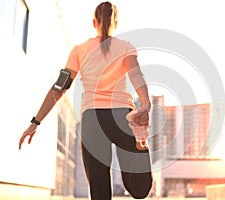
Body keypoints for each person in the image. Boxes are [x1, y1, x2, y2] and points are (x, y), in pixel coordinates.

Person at [18, 1, 153, 199]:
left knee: (99, 191)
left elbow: (59, 88)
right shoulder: (125, 47)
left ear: (93, 22)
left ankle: (140, 142)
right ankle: (141, 143)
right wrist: (146, 103)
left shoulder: (79, 50)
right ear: (116, 21)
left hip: (92, 120)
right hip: (123, 117)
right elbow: (136, 75)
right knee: (139, 190)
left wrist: (35, 121)